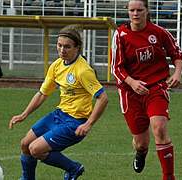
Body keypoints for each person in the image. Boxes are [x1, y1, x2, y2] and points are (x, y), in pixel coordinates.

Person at [9, 25, 108, 180]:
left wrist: (88, 124)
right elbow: (42, 94)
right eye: (59, 45)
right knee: (25, 144)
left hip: (75, 123)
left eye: (67, 47)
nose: (62, 50)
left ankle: (73, 168)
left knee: (35, 149)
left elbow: (103, 98)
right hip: (59, 115)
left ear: (77, 48)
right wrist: (24, 114)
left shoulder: (83, 71)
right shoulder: (56, 65)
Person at [111, 0, 182, 179]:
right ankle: (140, 153)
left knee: (159, 128)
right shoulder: (120, 35)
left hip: (155, 87)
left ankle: (168, 176)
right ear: (128, 12)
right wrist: (132, 82)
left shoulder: (158, 32)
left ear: (147, 11)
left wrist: (177, 73)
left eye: (139, 10)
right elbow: (116, 68)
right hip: (130, 93)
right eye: (132, 10)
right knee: (141, 143)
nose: (135, 13)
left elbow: (177, 54)